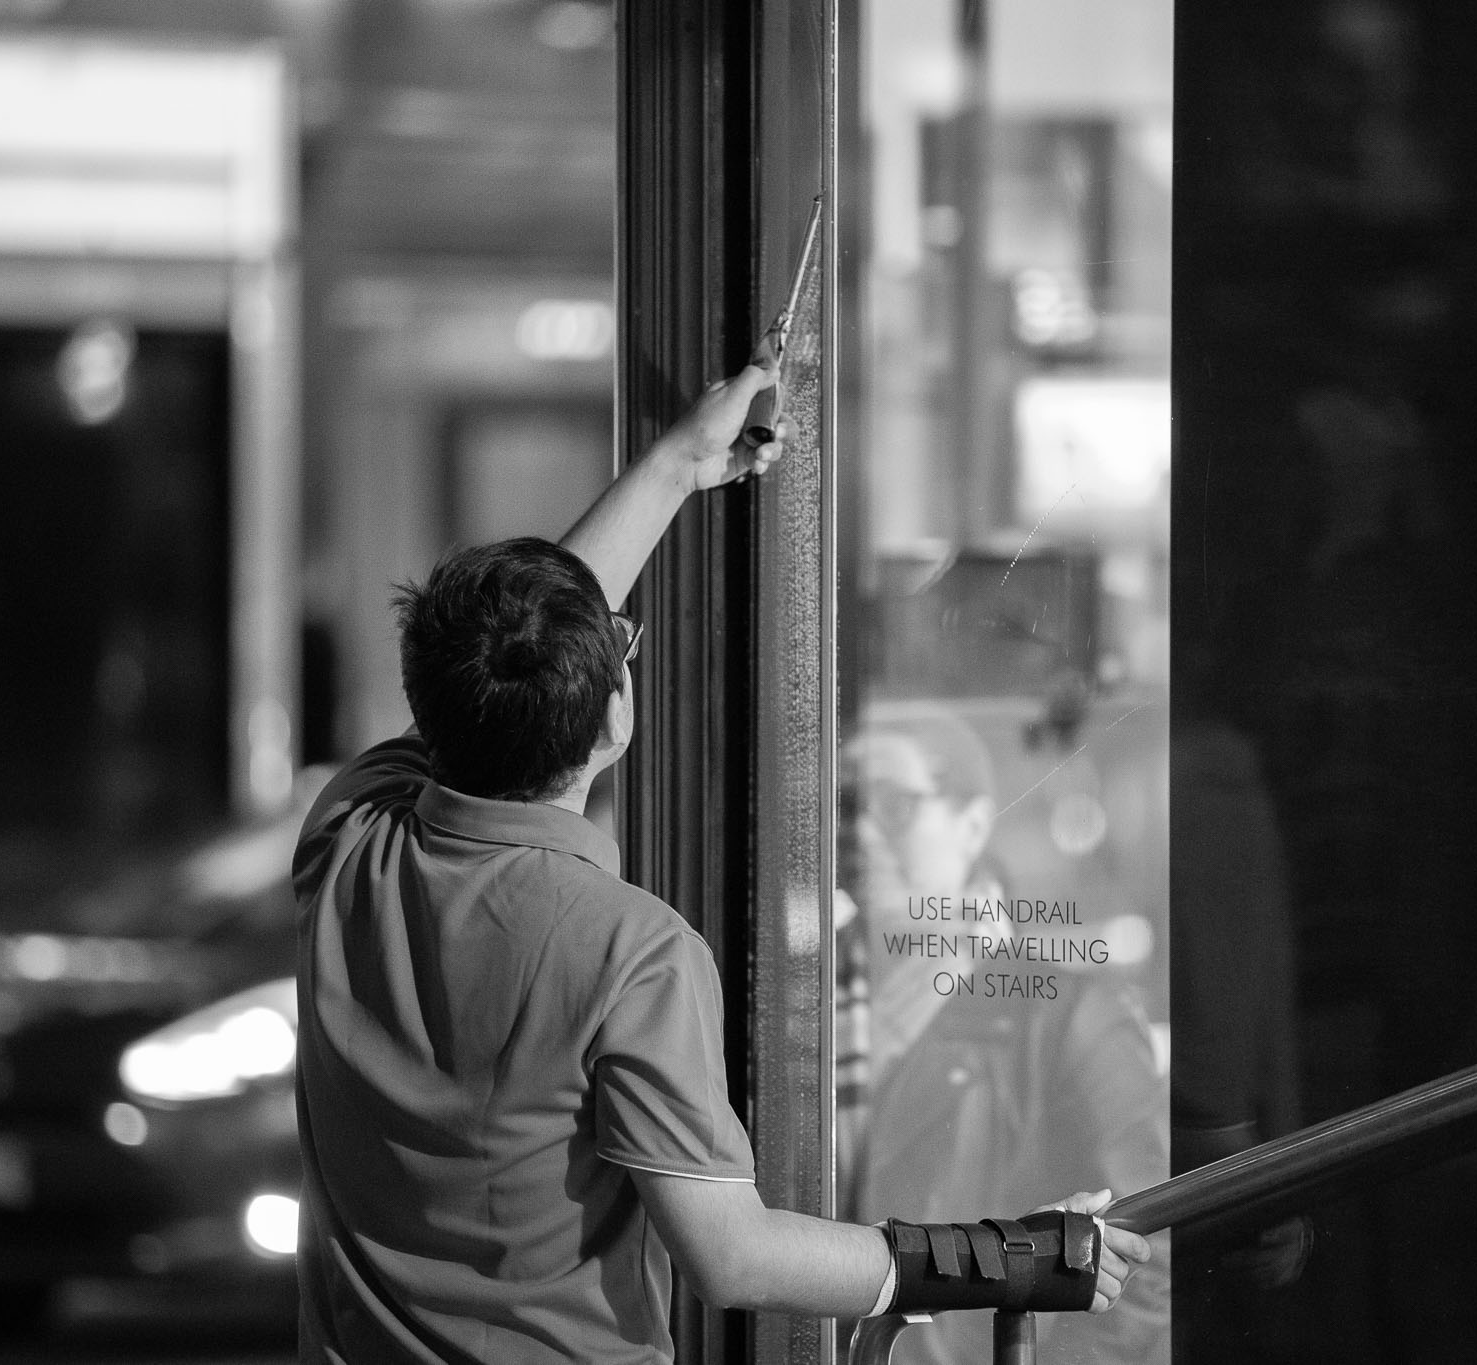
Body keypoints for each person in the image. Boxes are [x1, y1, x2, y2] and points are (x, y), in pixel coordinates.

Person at [292, 361, 1152, 1364]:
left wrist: (677, 465)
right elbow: (731, 1256)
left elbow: (492, 675)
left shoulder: (348, 836)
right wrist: (1003, 1259)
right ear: (614, 721)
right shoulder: (631, 952)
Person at [836, 701, 1172, 1365]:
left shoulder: (1068, 1016)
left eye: (894, 805)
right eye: (845, 807)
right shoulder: (798, 999)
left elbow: (1143, 1268)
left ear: (972, 824)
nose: (860, 832)